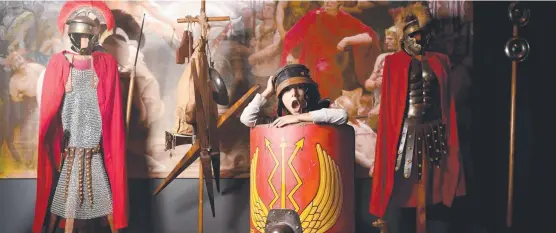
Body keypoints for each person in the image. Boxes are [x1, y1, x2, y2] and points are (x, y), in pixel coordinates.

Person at [369, 3, 466, 233]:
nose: (419, 40)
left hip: (434, 131)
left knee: (436, 187)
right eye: (413, 35)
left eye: (422, 34)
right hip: (407, 132)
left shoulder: (440, 61)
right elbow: (391, 107)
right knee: (405, 190)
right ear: (404, 37)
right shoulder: (393, 63)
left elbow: (446, 101)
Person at [33, 6, 127, 233]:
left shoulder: (104, 64)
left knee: (103, 197)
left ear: (94, 35)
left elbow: (111, 108)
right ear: (72, 36)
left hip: (94, 148)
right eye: (79, 36)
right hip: (72, 147)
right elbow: (50, 108)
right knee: (66, 200)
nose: (83, 40)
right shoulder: (60, 63)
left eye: (87, 35)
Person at [240, 64, 347, 128]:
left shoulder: (322, 115)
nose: (294, 93)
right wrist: (268, 91)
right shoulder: (279, 122)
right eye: (287, 90)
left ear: (308, 93)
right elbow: (246, 119)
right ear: (281, 98)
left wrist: (297, 118)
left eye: (299, 87)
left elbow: (342, 115)